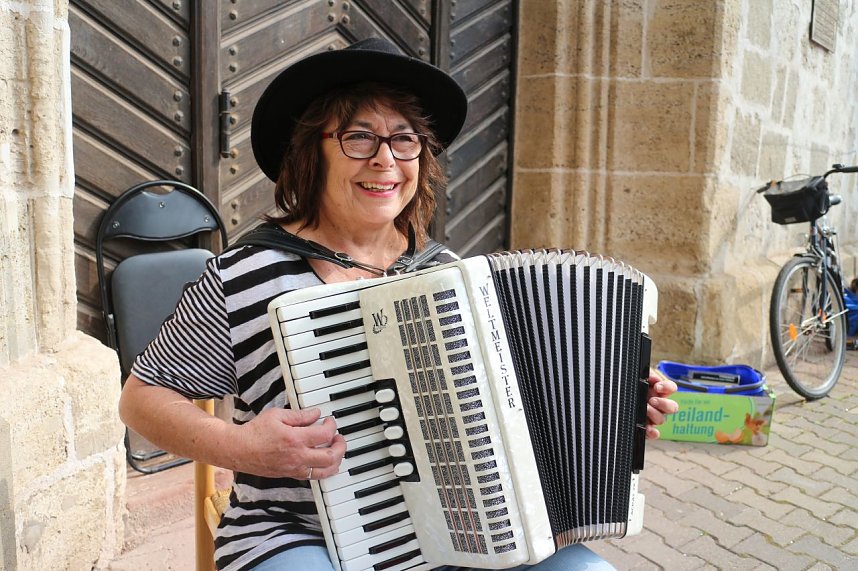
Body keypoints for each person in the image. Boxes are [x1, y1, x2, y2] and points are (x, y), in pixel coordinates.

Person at [119, 37, 679, 571]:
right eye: (359, 137)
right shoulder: (244, 274)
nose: (386, 159)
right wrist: (241, 446)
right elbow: (142, 401)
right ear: (309, 153)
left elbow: (513, 412)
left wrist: (613, 403)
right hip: (292, 530)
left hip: (460, 537)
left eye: (405, 139)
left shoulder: (450, 276)